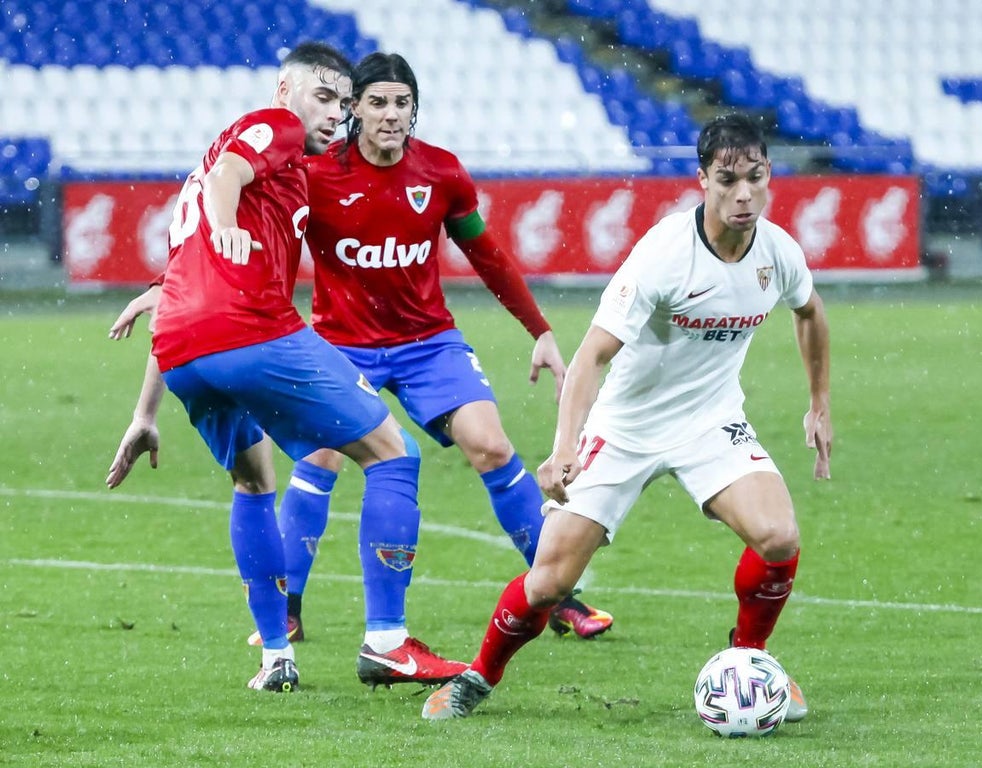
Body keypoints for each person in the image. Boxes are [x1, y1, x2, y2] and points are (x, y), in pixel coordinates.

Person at [108, 51, 614, 686]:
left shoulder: (439, 173)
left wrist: (539, 328)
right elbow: (226, 188)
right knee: (362, 457)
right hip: (325, 337)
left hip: (418, 340)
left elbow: (484, 251)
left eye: (397, 102)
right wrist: (218, 230)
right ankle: (354, 630)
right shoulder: (299, 158)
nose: (380, 114)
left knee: (482, 445)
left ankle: (551, 593)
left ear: (415, 109)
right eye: (367, 101)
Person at [420, 112, 832, 721]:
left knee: (779, 537)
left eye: (754, 177)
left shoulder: (779, 252)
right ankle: (478, 677)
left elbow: (810, 314)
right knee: (549, 583)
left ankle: (749, 662)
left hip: (710, 420)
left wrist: (819, 401)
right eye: (727, 180)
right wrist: (565, 449)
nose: (743, 194)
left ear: (769, 173)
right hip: (626, 425)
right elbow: (590, 356)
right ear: (703, 180)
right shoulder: (665, 253)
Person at [105, 42, 465, 693]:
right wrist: (224, 225)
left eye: (341, 100)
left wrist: (144, 413)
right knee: (393, 453)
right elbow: (225, 186)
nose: (336, 111)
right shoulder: (270, 129)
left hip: (187, 353)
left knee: (252, 482)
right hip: (252, 331)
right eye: (323, 96)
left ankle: (276, 658)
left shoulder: (244, 171)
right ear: (286, 90)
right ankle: (387, 642)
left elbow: (181, 300)